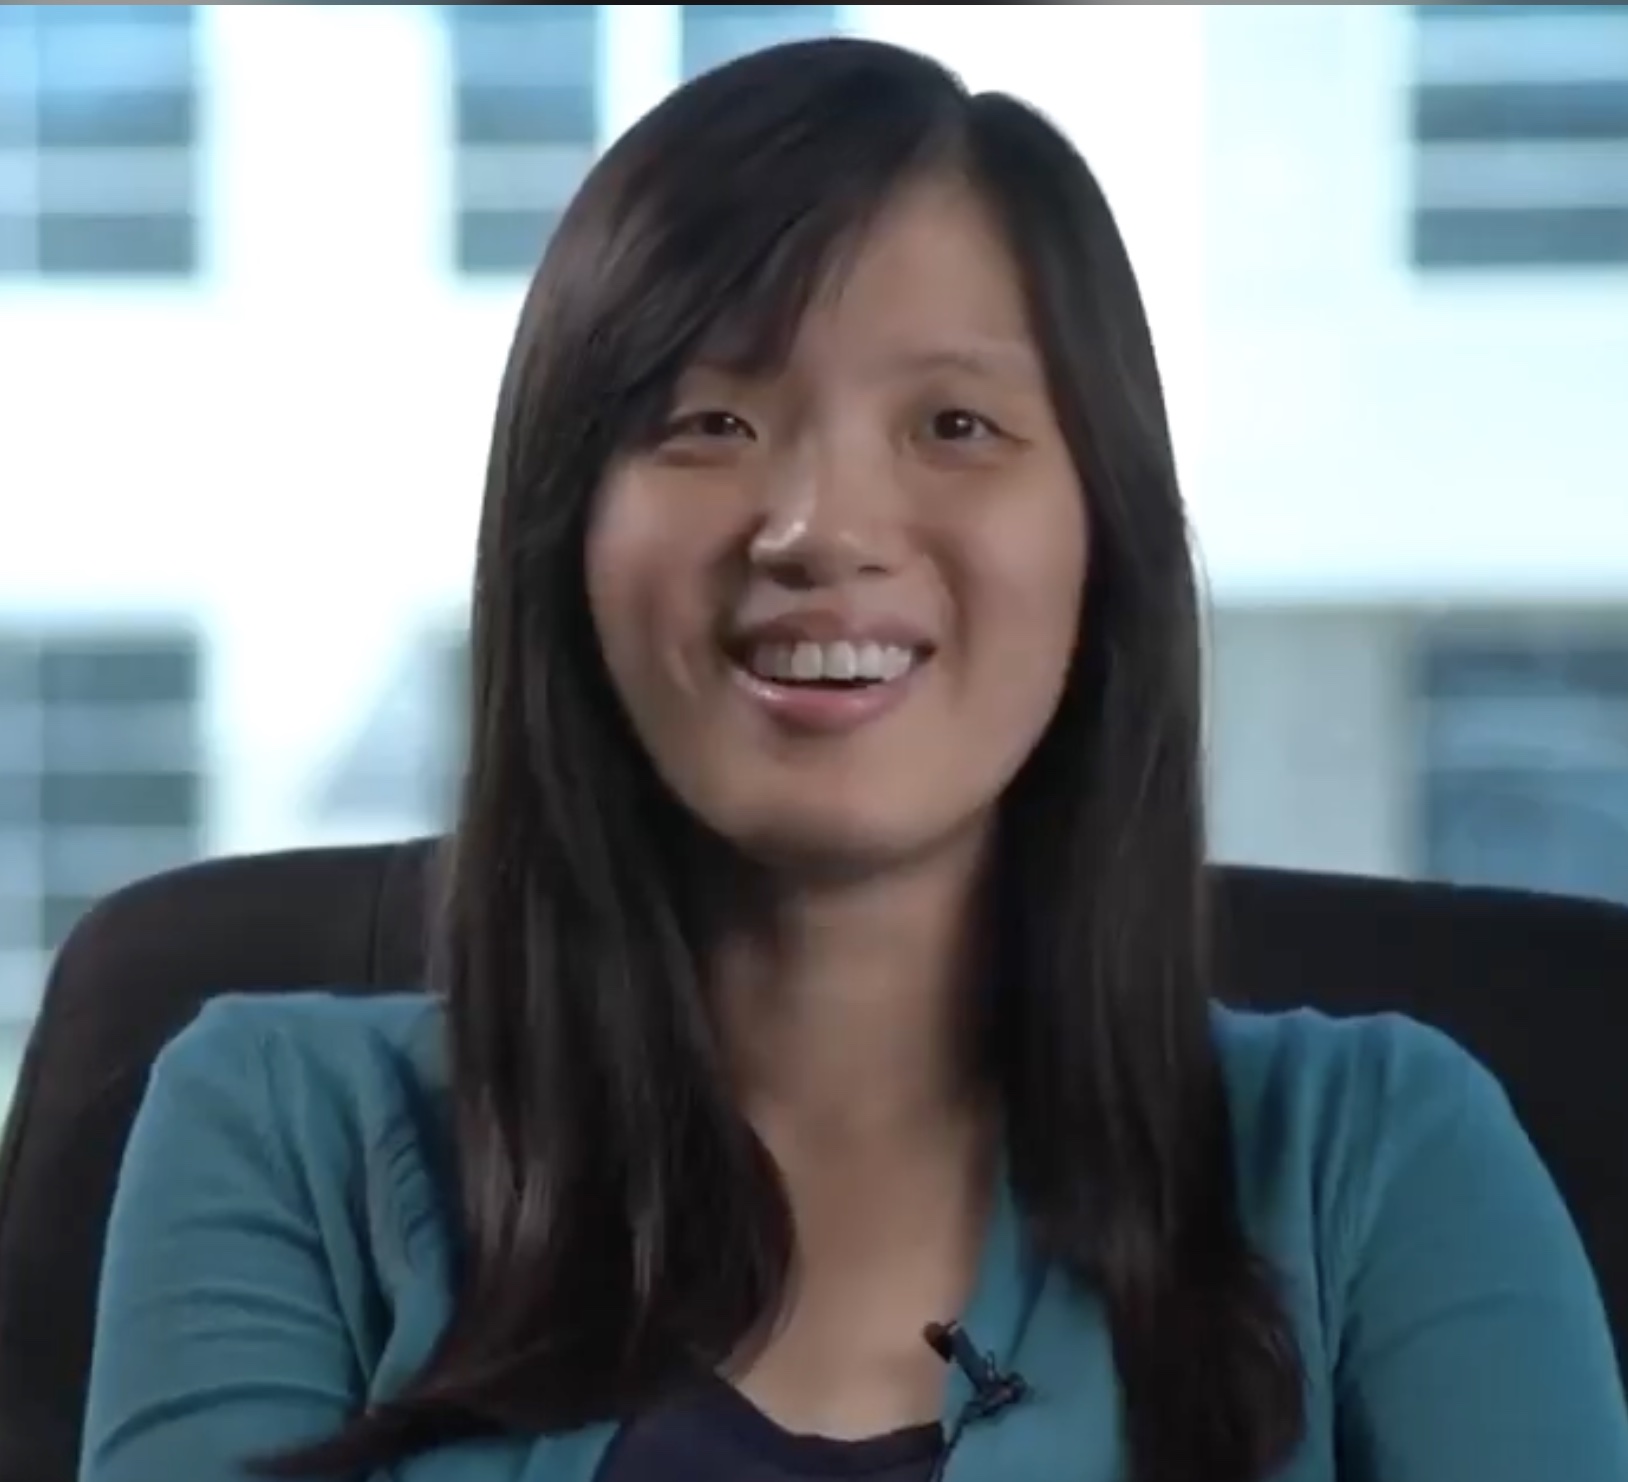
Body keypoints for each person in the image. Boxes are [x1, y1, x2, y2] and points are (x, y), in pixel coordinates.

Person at [78, 35, 1627, 1482]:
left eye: (954, 424)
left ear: (1102, 541)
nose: (820, 529)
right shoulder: (284, 1130)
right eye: (707, 422)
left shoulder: (1380, 1161)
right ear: (564, 534)